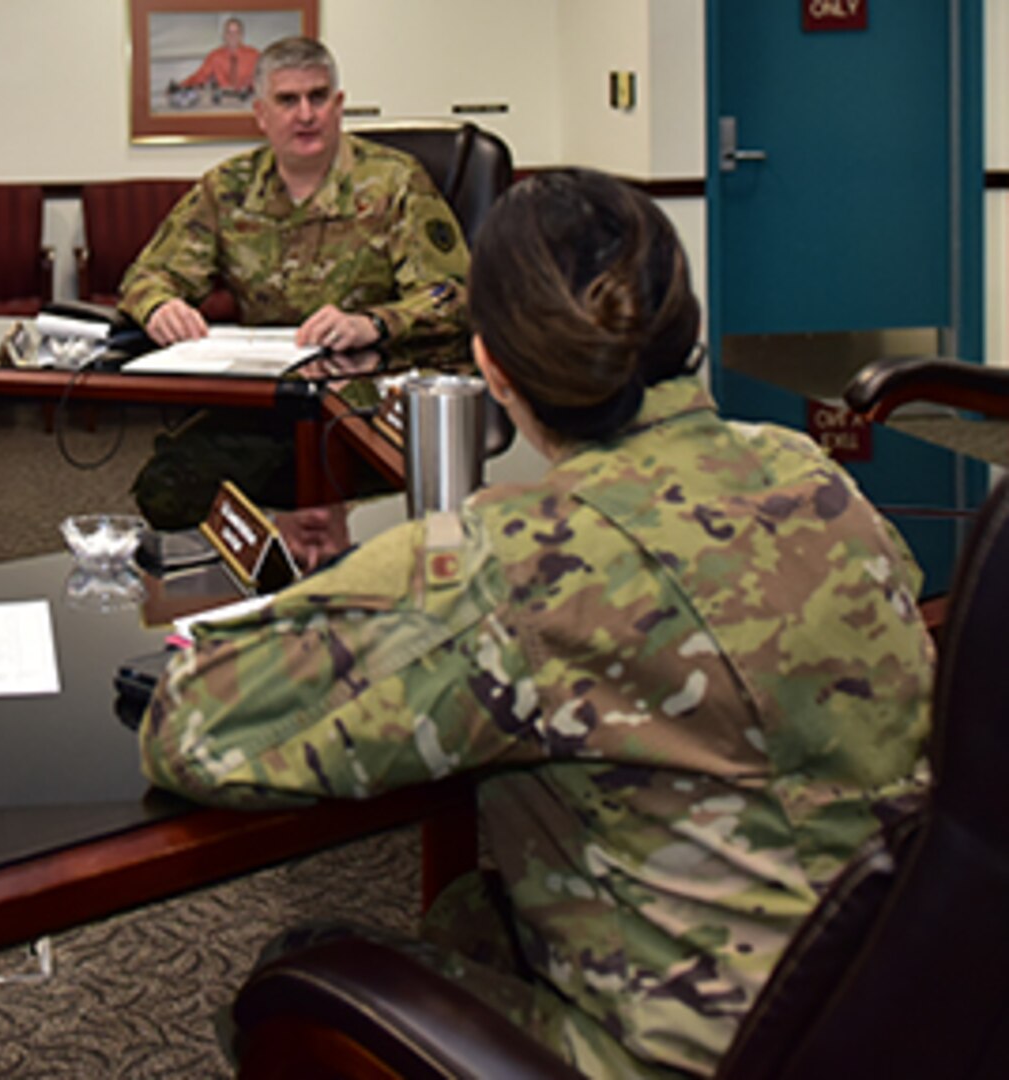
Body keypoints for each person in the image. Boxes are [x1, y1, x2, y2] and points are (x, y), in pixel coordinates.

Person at [138, 170, 933, 1077]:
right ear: (682, 330)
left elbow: (192, 728)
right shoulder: (814, 476)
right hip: (906, 997)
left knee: (301, 964)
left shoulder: (514, 561)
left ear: (489, 366)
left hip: (708, 1050)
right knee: (472, 912)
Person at [121, 36, 469, 545]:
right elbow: (148, 275)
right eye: (288, 100)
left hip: (376, 397)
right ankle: (275, 548)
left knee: (403, 526)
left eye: (318, 97)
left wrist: (371, 323)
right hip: (274, 397)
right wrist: (160, 305)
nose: (306, 114)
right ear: (261, 114)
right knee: (167, 489)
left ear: (339, 105)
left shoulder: (395, 182)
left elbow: (452, 292)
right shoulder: (228, 188)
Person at [175, 16, 259, 103]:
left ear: (242, 35)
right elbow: (200, 77)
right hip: (223, 101)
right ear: (224, 35)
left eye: (236, 32)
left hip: (248, 101)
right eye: (229, 32)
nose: (232, 36)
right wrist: (180, 86)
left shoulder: (254, 55)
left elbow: (265, 78)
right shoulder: (215, 56)